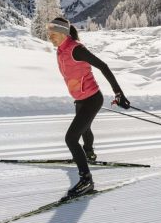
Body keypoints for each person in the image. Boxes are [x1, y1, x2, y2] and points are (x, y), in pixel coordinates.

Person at [47, 16, 130, 198]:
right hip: (81, 98)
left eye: (52, 33)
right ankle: (89, 154)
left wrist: (118, 93)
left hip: (92, 99)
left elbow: (103, 66)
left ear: (62, 33)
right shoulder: (61, 50)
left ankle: (86, 180)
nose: (49, 36)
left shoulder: (76, 49)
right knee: (85, 129)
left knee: (71, 138)